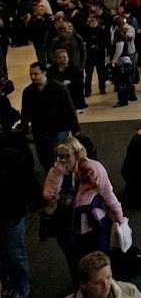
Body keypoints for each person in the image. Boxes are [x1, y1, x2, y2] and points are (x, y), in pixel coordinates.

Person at [43, 136, 125, 285]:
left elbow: (108, 193)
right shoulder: (56, 172)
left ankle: (104, 288)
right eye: (59, 156)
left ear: (77, 154)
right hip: (67, 228)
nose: (63, 160)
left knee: (99, 262)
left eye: (67, 156)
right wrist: (58, 176)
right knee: (76, 265)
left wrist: (119, 217)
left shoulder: (94, 168)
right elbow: (49, 201)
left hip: (94, 225)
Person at [0, 129, 38, 298]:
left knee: (15, 252)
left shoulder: (12, 157)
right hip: (11, 211)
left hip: (12, 213)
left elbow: (27, 182)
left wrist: (35, 203)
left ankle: (23, 287)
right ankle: (9, 284)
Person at [21, 62, 79, 170]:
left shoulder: (59, 88)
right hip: (39, 130)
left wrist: (75, 129)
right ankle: (51, 177)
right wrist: (24, 130)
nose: (33, 77)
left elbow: (69, 109)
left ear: (44, 73)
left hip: (58, 128)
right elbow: (25, 112)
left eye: (36, 74)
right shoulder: (28, 92)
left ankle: (62, 180)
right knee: (44, 157)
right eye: (31, 74)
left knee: (60, 156)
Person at [67, 251, 141, 298]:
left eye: (108, 277)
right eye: (98, 282)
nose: (106, 286)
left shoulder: (131, 291)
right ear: (83, 284)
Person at [80, 15, 111, 97]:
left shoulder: (101, 30)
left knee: (101, 74)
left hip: (99, 55)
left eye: (94, 20)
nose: (92, 21)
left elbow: (105, 42)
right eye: (91, 20)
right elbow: (83, 40)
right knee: (88, 75)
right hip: (89, 56)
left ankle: (102, 89)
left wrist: (97, 46)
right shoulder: (85, 29)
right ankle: (87, 91)